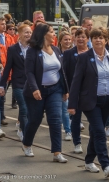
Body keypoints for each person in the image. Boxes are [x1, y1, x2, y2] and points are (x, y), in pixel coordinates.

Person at [68, 27, 109, 177]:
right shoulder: (84, 58)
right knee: (100, 132)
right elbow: (76, 82)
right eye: (94, 37)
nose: (98, 40)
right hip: (90, 101)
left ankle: (89, 160)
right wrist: (72, 104)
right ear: (91, 40)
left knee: (96, 132)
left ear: (105, 39)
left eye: (100, 37)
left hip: (107, 100)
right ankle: (106, 165)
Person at [22, 23, 69, 163]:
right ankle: (27, 143)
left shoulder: (56, 49)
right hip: (37, 91)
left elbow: (62, 71)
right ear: (44, 34)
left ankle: (57, 152)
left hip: (55, 89)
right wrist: (35, 88)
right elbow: (29, 72)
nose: (54, 34)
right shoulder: (33, 51)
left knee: (55, 120)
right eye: (51, 31)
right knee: (35, 120)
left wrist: (66, 90)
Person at [0, 24, 32, 141]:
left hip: (32, 84)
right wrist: (2, 85)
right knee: (23, 108)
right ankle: (24, 132)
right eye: (26, 32)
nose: (28, 35)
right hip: (18, 83)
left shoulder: (34, 48)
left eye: (30, 33)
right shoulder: (13, 49)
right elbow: (8, 68)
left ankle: (21, 129)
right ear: (20, 34)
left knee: (30, 110)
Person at [63, 28, 90, 153]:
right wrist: (66, 90)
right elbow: (64, 73)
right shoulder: (69, 54)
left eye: (83, 36)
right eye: (78, 36)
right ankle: (77, 143)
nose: (80, 39)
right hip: (74, 92)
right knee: (76, 118)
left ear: (87, 39)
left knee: (93, 120)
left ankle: (93, 143)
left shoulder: (92, 53)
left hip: (88, 92)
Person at [58, 31, 72, 141]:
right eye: (65, 39)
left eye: (69, 39)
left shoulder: (73, 52)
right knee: (65, 109)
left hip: (73, 85)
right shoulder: (57, 52)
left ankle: (72, 127)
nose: (67, 42)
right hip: (62, 85)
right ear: (60, 41)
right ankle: (68, 131)